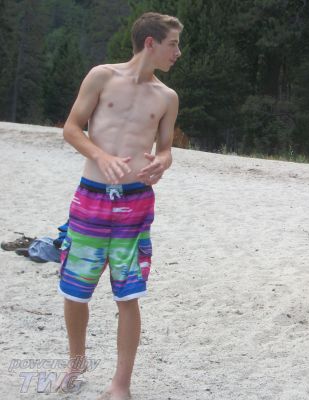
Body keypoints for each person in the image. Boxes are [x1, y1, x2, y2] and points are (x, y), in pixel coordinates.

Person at [58, 12, 182, 399]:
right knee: (76, 289)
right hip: (92, 196)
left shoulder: (167, 97)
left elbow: (166, 148)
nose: (178, 52)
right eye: (173, 44)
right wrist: (101, 156)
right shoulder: (102, 76)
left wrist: (163, 162)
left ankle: (120, 384)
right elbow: (71, 128)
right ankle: (76, 363)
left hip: (136, 203)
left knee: (128, 294)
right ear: (150, 42)